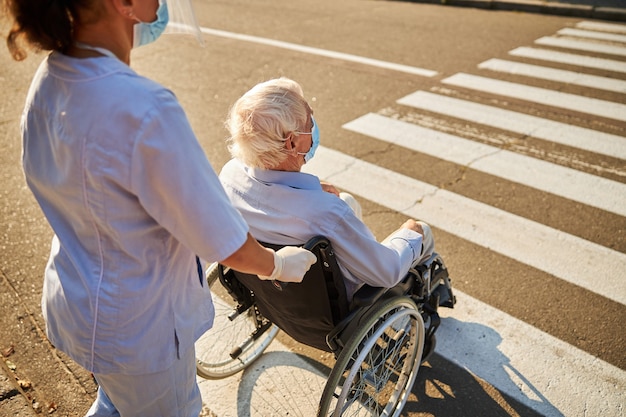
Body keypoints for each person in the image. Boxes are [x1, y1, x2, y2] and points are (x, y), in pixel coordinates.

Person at [4, 1, 316, 416]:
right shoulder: (144, 109)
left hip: (76, 302)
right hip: (138, 330)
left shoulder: (49, 80)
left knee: (114, 401)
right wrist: (277, 265)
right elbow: (222, 236)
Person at [219, 77, 435, 301]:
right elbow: (387, 273)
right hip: (330, 301)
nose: (313, 124)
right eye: (309, 121)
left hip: (275, 296)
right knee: (420, 232)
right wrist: (412, 232)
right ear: (292, 143)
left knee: (346, 200)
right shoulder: (325, 213)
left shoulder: (229, 175)